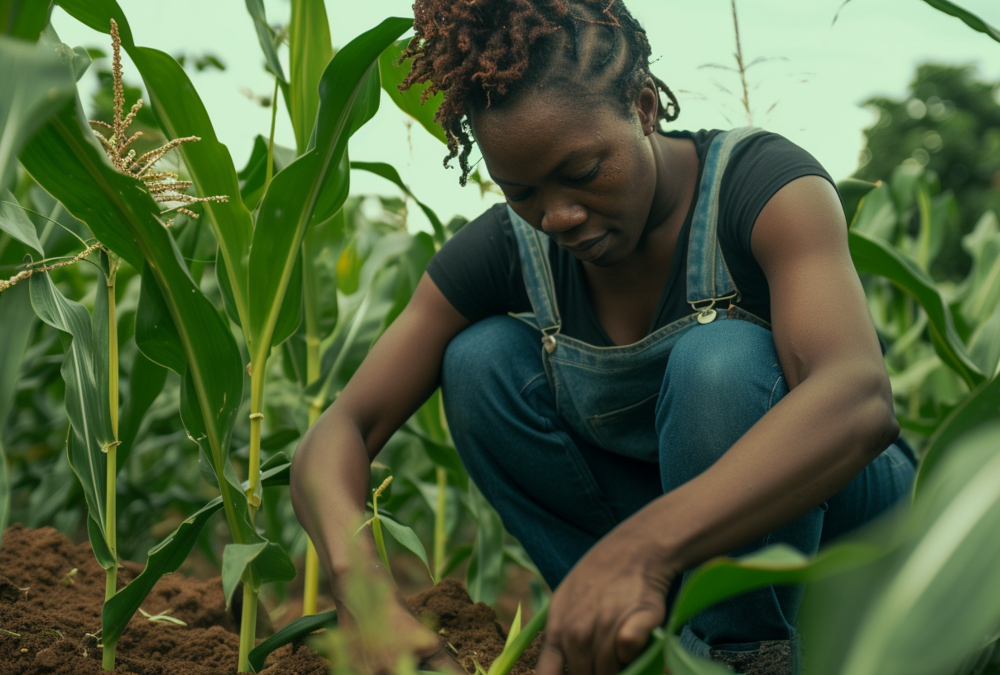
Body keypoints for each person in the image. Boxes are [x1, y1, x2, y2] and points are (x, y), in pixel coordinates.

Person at [290, 1, 917, 674]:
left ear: (644, 106)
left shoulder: (760, 187)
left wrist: (642, 547)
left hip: (844, 529)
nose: (557, 214)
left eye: (586, 173)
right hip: (662, 557)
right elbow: (338, 431)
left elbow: (857, 398)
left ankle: (747, 657)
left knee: (719, 364)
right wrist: (361, 587)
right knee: (478, 364)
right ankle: (636, 648)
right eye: (520, 191)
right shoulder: (510, 249)